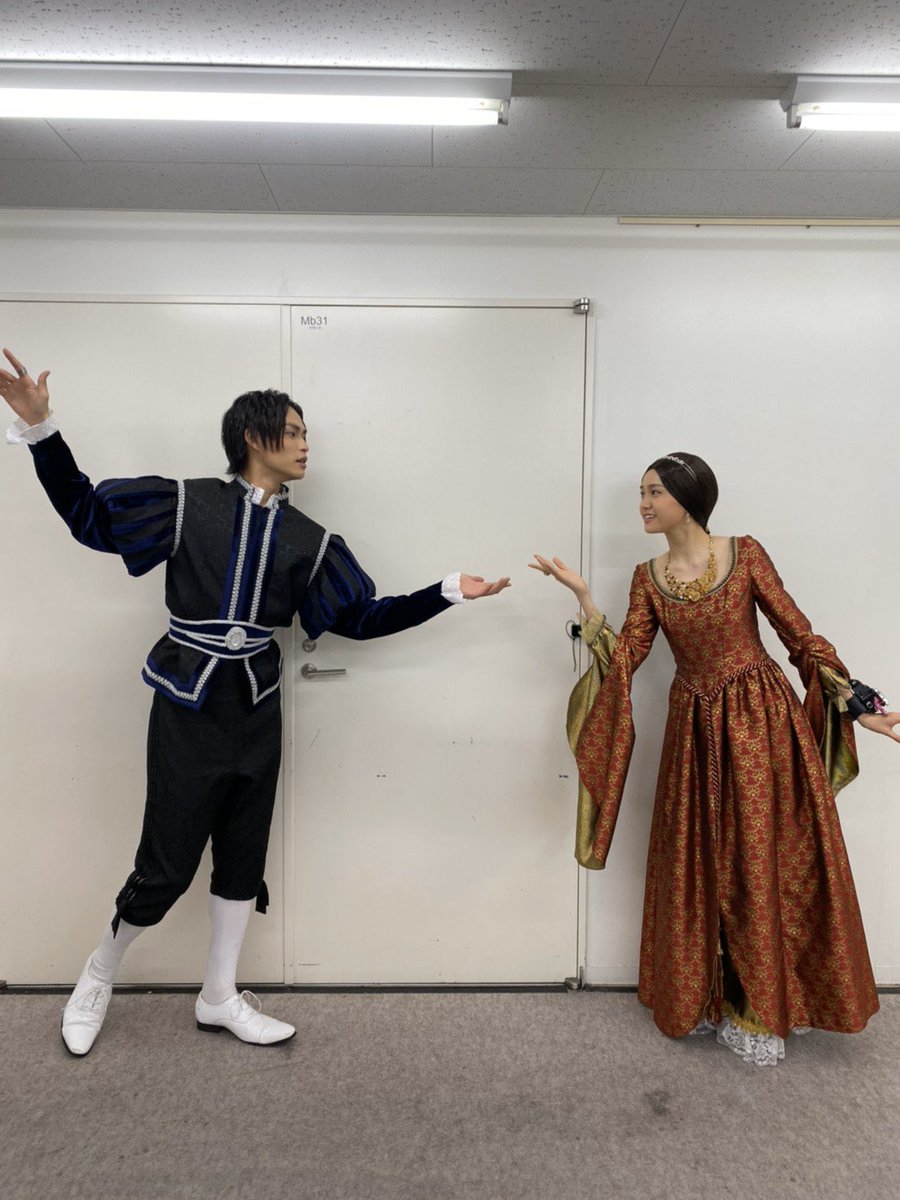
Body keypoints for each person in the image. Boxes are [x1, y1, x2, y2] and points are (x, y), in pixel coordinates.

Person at [1, 346, 510, 1056]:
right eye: (293, 431)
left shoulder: (311, 540)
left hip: (256, 710)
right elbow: (88, 516)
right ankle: (100, 971)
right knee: (167, 861)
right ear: (253, 436)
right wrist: (41, 429)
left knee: (243, 854)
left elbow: (360, 618)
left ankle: (219, 995)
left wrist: (447, 591)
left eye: (305, 434)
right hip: (186, 705)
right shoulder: (186, 504)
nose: (305, 445)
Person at [532, 451, 898, 1066]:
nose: (643, 504)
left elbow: (798, 634)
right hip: (693, 733)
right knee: (700, 861)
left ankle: (765, 1002)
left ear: (688, 497)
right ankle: (711, 995)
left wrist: (858, 703)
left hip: (761, 723)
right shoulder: (647, 578)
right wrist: (585, 598)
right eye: (642, 493)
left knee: (759, 858)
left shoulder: (745, 553)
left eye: (654, 492)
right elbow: (627, 659)